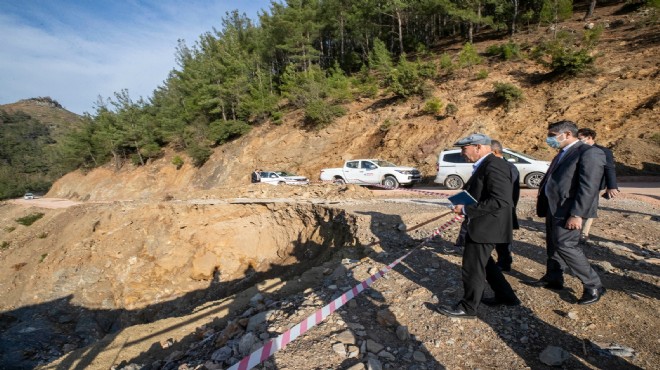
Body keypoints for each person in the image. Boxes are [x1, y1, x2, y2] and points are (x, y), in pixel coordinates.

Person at [437, 133, 520, 319]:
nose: (461, 153)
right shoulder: (487, 164)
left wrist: (466, 209)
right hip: (486, 225)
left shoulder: (494, 165)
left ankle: (468, 308)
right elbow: (481, 193)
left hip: (488, 226)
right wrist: (461, 203)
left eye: (464, 148)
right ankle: (506, 296)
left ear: (478, 147)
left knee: (472, 267)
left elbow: (500, 201)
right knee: (486, 264)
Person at [525, 120, 606, 305]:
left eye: (553, 136)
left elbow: (589, 187)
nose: (549, 140)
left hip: (569, 210)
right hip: (554, 207)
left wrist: (577, 214)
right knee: (553, 244)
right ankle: (553, 278)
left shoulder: (589, 153)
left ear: (568, 134)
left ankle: (594, 284)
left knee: (566, 245)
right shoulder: (563, 152)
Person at [576, 128, 619, 244]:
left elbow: (609, 168)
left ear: (589, 137)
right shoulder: (576, 150)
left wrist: (611, 186)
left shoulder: (603, 151)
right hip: (575, 184)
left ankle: (584, 233)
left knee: (590, 208)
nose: (578, 141)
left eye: (580, 139)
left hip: (593, 185)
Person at [490, 140, 520, 272]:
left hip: (503, 208)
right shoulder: (494, 165)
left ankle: (504, 262)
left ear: (495, 151)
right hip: (494, 208)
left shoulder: (507, 167)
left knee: (503, 238)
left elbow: (511, 192)